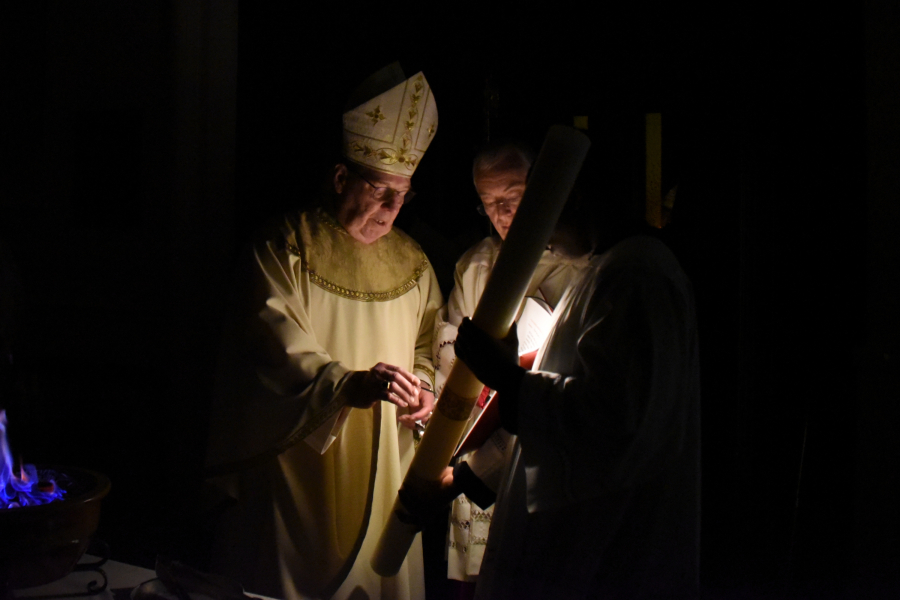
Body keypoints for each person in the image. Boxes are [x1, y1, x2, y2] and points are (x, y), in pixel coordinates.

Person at [205, 64, 442, 600]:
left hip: (385, 459)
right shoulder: (284, 246)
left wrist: (422, 391)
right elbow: (270, 345)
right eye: (382, 191)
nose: (392, 210)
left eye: (403, 195)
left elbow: (428, 341)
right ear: (341, 179)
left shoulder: (413, 262)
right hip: (299, 461)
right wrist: (345, 385)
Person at [450, 170, 701, 599]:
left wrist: (505, 376)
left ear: (577, 198)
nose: (540, 235)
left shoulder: (636, 274)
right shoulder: (602, 268)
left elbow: (618, 421)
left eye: (541, 213)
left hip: (610, 545)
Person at [431, 141, 589, 594]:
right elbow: (454, 358)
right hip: (477, 435)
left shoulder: (573, 264)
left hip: (533, 448)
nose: (501, 212)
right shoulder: (474, 264)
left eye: (512, 196)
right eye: (489, 203)